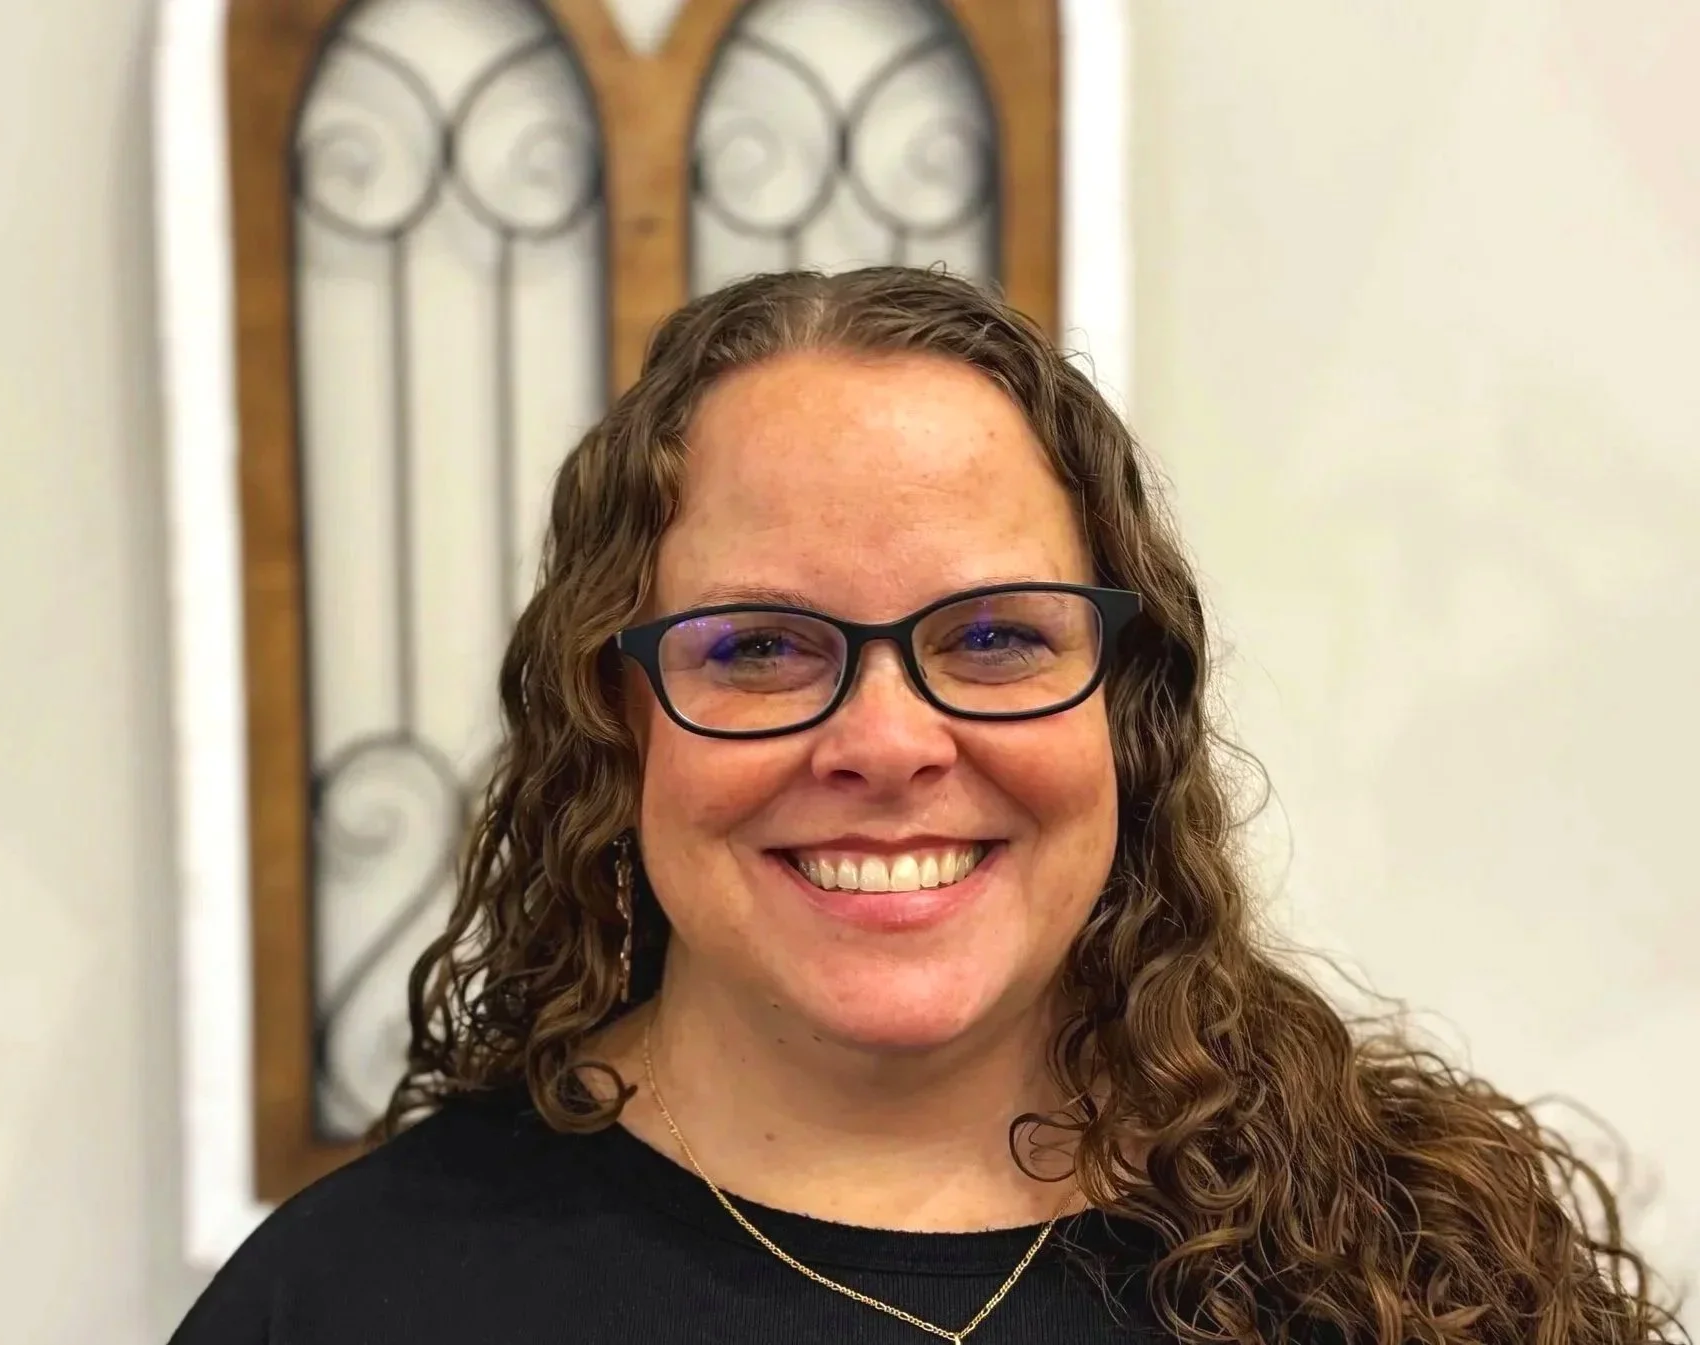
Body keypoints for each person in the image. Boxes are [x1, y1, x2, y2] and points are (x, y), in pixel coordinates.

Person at [171, 267, 1684, 1345]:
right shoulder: (352, 1303)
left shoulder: (1423, 1264)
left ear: (1126, 715)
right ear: (614, 725)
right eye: (758, 648)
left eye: (997, 636)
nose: (889, 742)